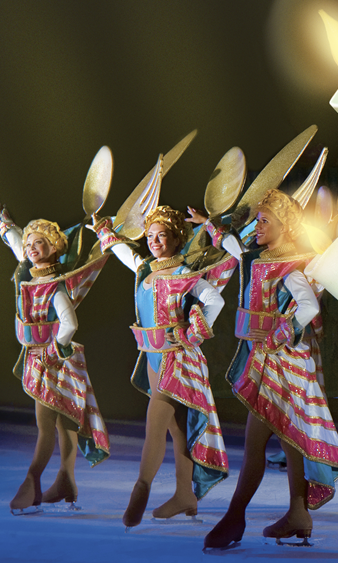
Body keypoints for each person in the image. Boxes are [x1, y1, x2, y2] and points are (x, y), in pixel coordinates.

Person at [194, 189, 338, 549]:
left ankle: (234, 518)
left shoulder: (290, 265)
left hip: (281, 364)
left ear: (285, 226)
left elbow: (308, 307)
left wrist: (278, 333)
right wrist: (210, 226)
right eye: (258, 220)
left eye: (265, 221)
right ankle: (298, 514)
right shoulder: (259, 258)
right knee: (290, 440)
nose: (257, 226)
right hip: (270, 360)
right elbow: (236, 248)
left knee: (255, 445)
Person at [92, 205, 229, 528]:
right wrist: (104, 232)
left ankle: (141, 489)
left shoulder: (184, 275)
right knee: (178, 429)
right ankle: (186, 496)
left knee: (155, 425)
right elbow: (126, 254)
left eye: (162, 235)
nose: (154, 241)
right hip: (153, 358)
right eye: (150, 235)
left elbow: (216, 300)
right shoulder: (145, 270)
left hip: (177, 360)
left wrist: (190, 333)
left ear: (177, 238)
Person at [1, 211, 110, 513]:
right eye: (29, 245)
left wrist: (54, 349)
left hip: (51, 359)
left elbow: (69, 323)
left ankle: (32, 481)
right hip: (43, 356)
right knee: (64, 421)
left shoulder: (55, 285)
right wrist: (6, 226)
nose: (30, 249)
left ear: (54, 247)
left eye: (38, 243)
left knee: (46, 423)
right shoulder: (30, 275)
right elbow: (16, 243)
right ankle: (66, 481)